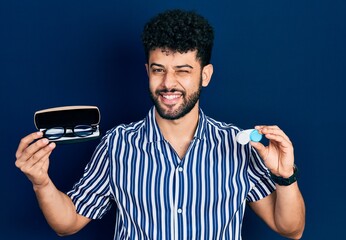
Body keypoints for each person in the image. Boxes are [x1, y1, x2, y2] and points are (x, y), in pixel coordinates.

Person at [15, 9, 305, 239]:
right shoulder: (118, 145)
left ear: (205, 75)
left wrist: (285, 176)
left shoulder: (237, 145)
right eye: (158, 70)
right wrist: (41, 183)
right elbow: (68, 223)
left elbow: (291, 229)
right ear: (147, 71)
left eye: (182, 71)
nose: (168, 84)